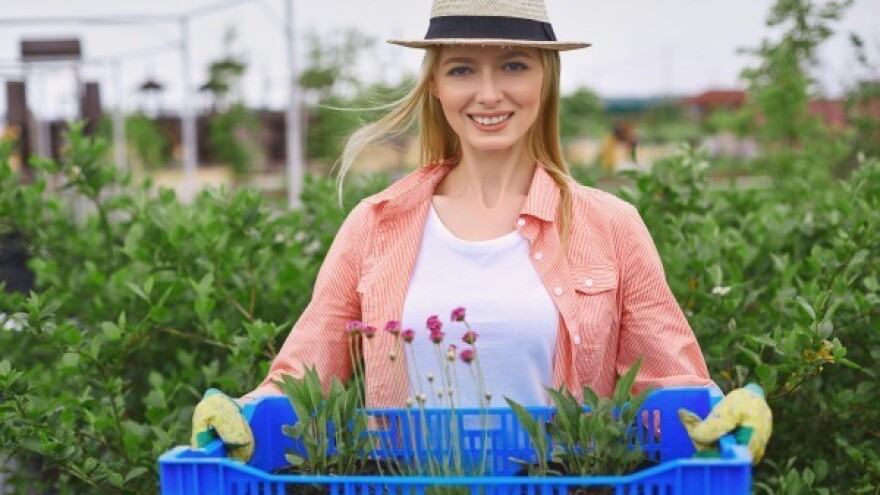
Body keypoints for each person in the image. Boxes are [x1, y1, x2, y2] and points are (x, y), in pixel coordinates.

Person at [192, 0, 762, 464]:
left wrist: (726, 411)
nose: (488, 93)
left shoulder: (609, 226)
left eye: (514, 64)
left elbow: (672, 386)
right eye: (462, 68)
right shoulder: (375, 225)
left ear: (546, 79)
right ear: (436, 85)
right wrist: (240, 411)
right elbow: (300, 383)